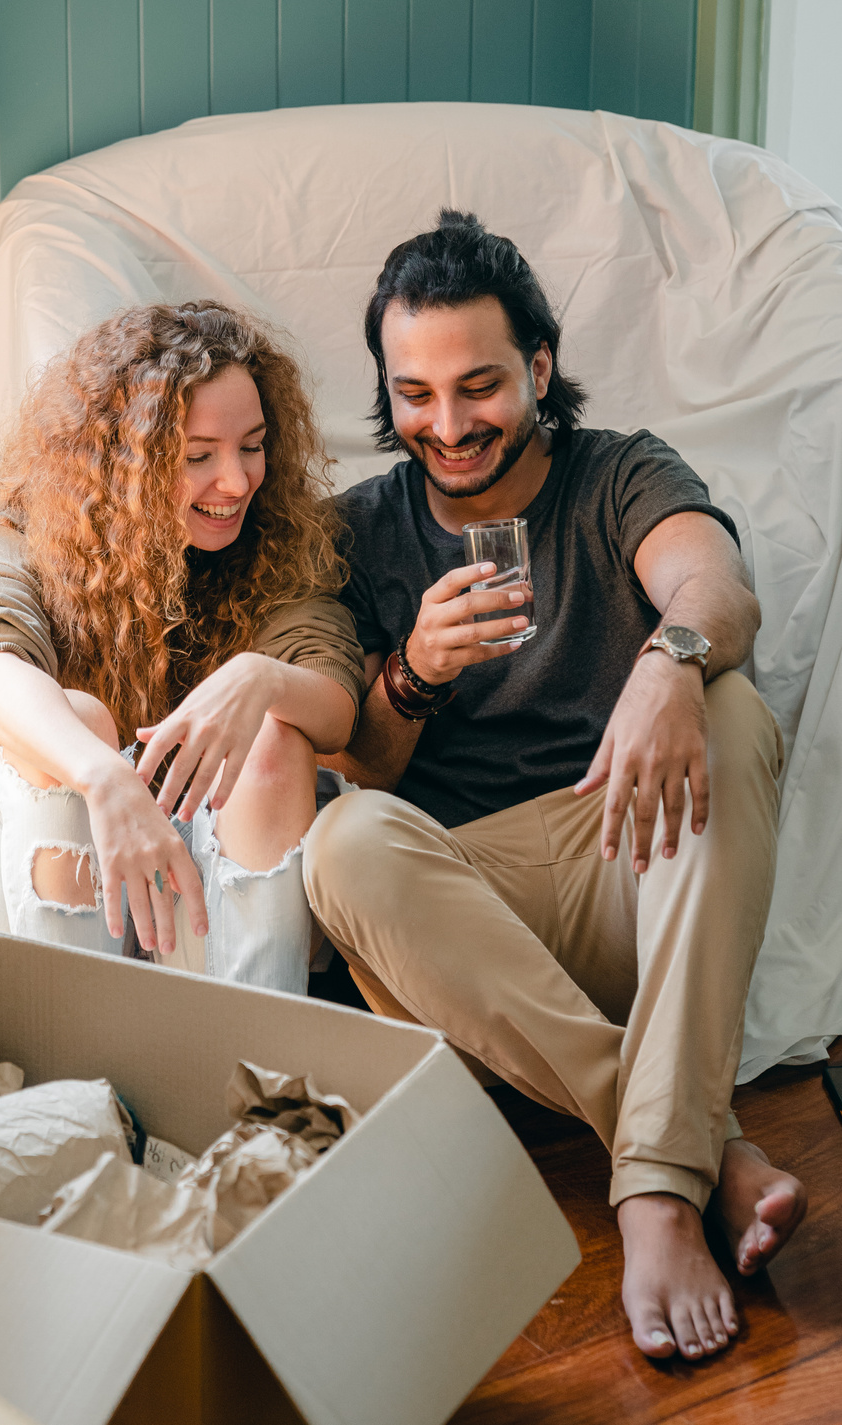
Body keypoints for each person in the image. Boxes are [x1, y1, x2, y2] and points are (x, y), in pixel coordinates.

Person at [304, 211, 807, 1360]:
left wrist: (668, 663)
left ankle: (645, 1197)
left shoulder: (615, 473)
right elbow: (364, 764)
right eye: (414, 394)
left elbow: (714, 586)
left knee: (729, 701)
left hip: (634, 852)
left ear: (536, 368)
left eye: (477, 386)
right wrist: (413, 671)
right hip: (471, 921)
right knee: (343, 846)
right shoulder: (360, 535)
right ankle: (691, 1154)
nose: (446, 424)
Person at [0, 300, 364, 992]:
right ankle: (73, 1065)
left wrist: (260, 679)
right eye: (198, 456)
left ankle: (254, 1065)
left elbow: (336, 702)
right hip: (43, 885)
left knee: (278, 734)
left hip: (199, 907)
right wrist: (102, 775)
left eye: (251, 446)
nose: (236, 481)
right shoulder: (26, 528)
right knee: (77, 721)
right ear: (119, 463)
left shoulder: (278, 539)